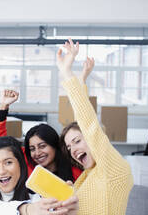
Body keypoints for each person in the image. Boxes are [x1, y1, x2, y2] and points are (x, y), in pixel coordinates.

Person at [57, 39, 133, 215]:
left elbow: (89, 124)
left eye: (76, 141)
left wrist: (67, 72)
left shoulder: (112, 168)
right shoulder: (91, 173)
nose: (73, 150)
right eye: (69, 147)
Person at [0, 75, 94, 181]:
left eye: (42, 146)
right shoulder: (26, 162)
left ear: (55, 145)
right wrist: (3, 106)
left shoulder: (74, 170)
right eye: (32, 149)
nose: (37, 153)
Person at [0, 136, 79, 215]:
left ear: (21, 165)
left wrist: (67, 206)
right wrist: (27, 210)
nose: (1, 171)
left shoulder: (36, 200)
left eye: (8, 162)